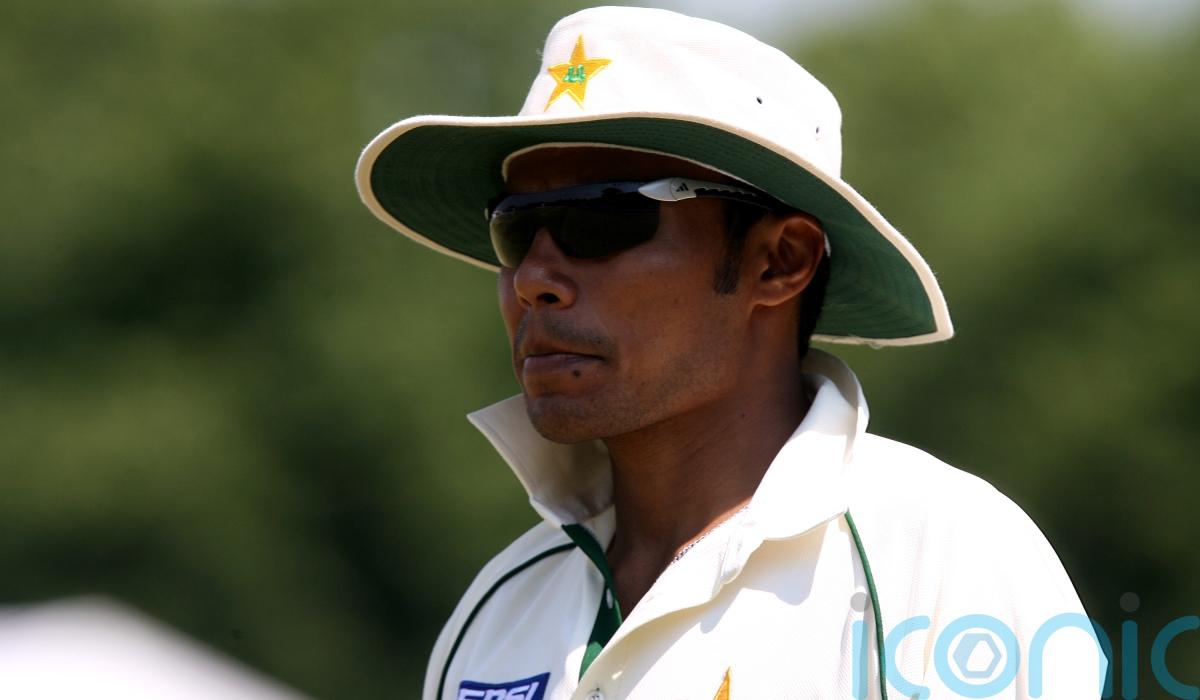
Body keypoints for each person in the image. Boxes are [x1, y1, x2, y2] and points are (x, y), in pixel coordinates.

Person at [356, 7, 1108, 699]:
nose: (533, 279)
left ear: (780, 261)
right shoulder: (499, 609)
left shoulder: (941, 556)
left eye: (600, 218)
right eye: (514, 228)